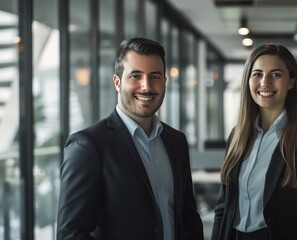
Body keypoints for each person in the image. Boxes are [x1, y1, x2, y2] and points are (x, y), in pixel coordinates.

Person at [57, 37, 204, 240]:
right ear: (117, 82)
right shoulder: (88, 146)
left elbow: (188, 218)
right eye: (136, 76)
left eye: (155, 76)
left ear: (165, 81)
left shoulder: (176, 141)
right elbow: (71, 234)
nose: (146, 86)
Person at [211, 44, 297, 240]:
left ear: (290, 82)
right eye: (257, 74)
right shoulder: (237, 136)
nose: (265, 82)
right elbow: (222, 209)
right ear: (248, 81)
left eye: (276, 74)